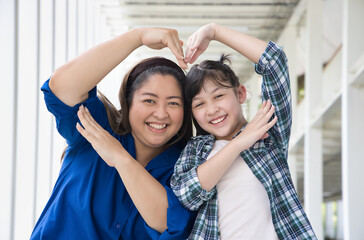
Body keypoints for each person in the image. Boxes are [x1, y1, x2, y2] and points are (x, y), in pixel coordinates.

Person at [30, 27, 196, 239]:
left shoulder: (186, 165)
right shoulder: (95, 129)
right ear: (128, 102)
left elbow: (170, 223)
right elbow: (61, 87)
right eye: (149, 100)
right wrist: (139, 37)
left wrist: (120, 159)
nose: (161, 113)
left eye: (173, 103)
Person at [171, 23, 317, 239]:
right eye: (199, 104)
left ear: (240, 93)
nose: (212, 110)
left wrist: (214, 31)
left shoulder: (267, 134)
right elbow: (186, 195)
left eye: (219, 96)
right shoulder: (196, 150)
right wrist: (238, 143)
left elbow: (274, 61)